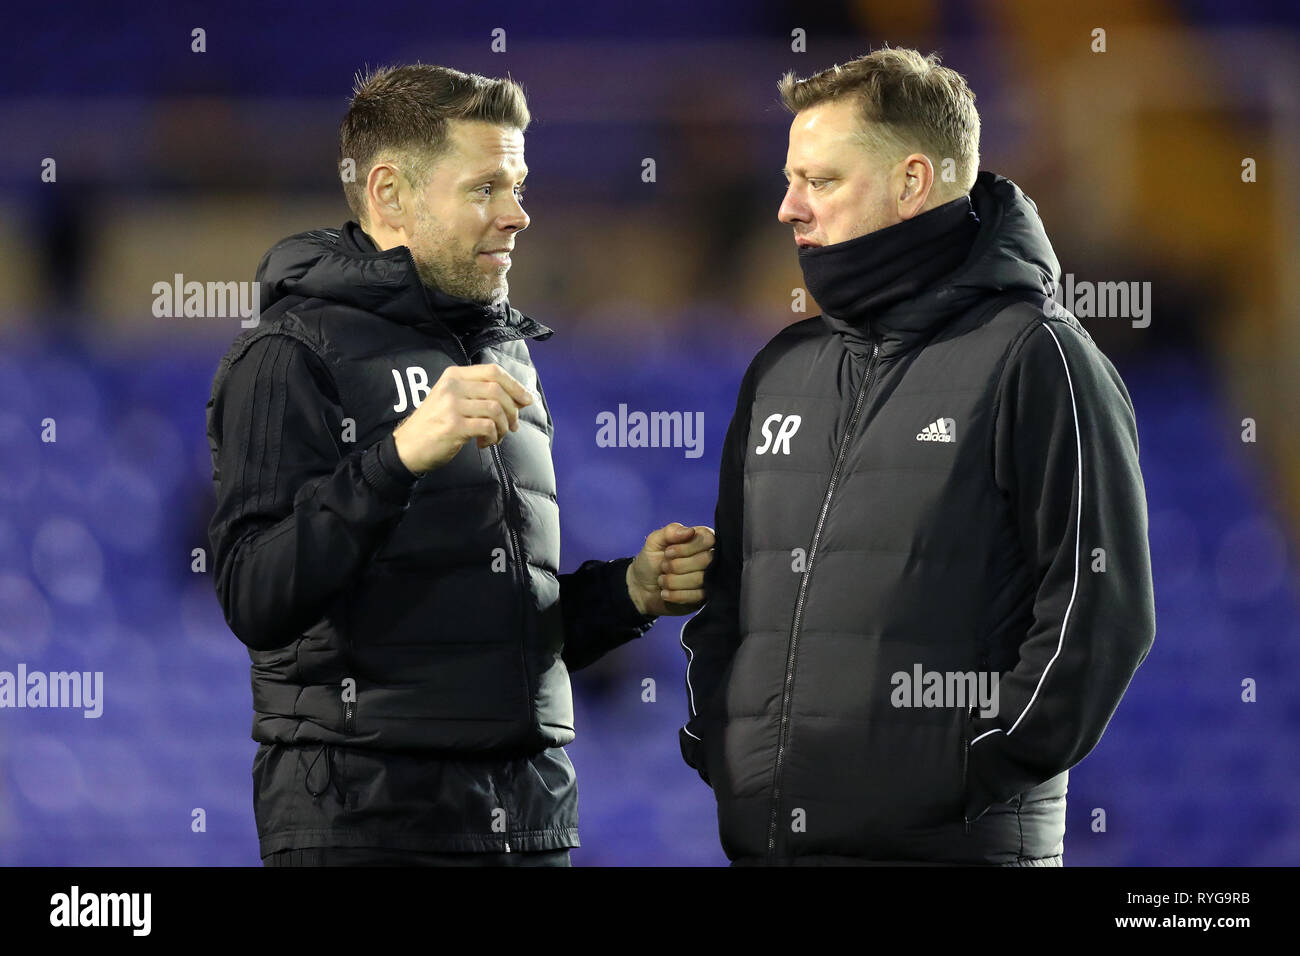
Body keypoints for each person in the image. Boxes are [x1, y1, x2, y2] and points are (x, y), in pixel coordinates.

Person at [206, 63, 714, 866]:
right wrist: (400, 454)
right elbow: (253, 595)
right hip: (369, 826)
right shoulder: (288, 354)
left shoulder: (504, 351)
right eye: (485, 188)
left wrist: (627, 594)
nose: (518, 214)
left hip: (530, 817)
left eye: (518, 185)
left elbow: (490, 633)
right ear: (388, 194)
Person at [678, 47, 1155, 865]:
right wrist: (722, 750)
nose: (788, 209)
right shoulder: (781, 370)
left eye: (821, 181)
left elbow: (1099, 611)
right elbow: (730, 600)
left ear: (910, 183)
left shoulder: (1039, 358)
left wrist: (970, 771)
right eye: (791, 179)